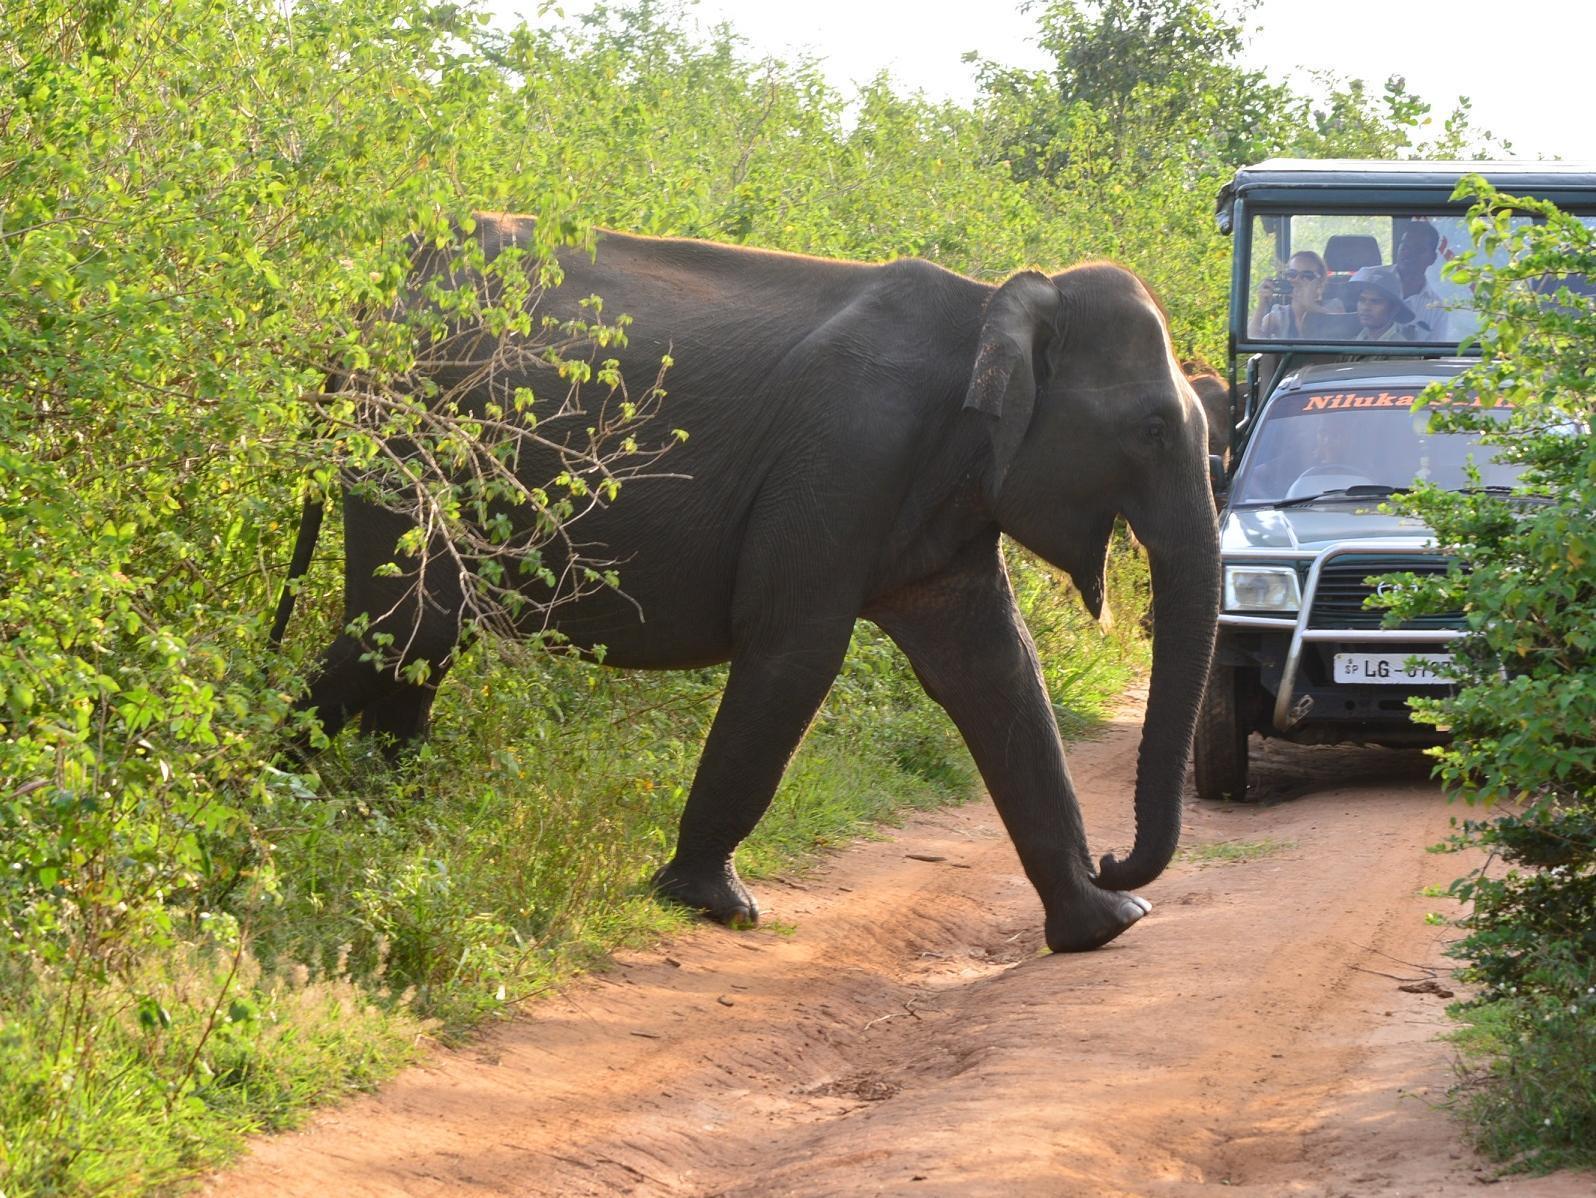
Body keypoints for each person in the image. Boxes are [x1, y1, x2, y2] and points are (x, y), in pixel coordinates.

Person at [1248, 250, 1337, 339]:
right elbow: (1252, 337)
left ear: (1320, 282)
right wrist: (1261, 305)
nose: (1297, 280)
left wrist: (1311, 306)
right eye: (1292, 274)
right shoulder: (1280, 315)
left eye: (1307, 275)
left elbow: (1343, 328)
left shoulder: (1333, 306)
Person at [1393, 220, 1451, 341]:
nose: (1408, 253)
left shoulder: (1437, 309)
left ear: (1433, 258)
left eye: (1418, 250)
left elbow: (1433, 356)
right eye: (1405, 246)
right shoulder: (1367, 277)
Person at [1347, 265, 1418, 342]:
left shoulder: (1401, 349)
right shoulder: (1351, 342)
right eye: (1362, 300)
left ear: (1394, 309)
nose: (1365, 307)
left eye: (1376, 301)